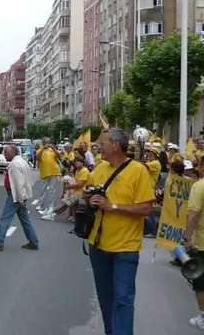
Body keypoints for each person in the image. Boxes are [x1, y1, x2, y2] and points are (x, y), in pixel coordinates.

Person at [87, 128, 155, 335]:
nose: (97, 146)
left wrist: (113, 206)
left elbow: (146, 208)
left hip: (125, 248)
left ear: (116, 145)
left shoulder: (138, 171)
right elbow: (88, 196)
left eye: (102, 143)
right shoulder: (99, 168)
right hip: (98, 245)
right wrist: (89, 199)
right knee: (105, 297)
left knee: (123, 298)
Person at [0, 145, 39, 251]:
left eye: (6, 153)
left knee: (5, 218)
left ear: (12, 153)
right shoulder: (22, 162)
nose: (4, 155)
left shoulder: (15, 164)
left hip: (15, 195)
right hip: (20, 195)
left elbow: (18, 183)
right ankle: (33, 242)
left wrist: (20, 198)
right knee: (25, 219)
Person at [185, 161, 204, 329]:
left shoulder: (199, 186)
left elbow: (193, 215)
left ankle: (203, 317)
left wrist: (187, 238)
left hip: (202, 243)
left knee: (200, 281)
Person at [36, 137, 62, 217]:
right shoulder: (39, 150)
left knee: (52, 190)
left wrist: (54, 148)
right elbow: (37, 158)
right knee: (42, 189)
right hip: (44, 172)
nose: (47, 144)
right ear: (43, 143)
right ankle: (40, 204)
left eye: (48, 142)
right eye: (46, 142)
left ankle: (51, 206)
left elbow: (59, 156)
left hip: (54, 172)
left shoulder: (52, 150)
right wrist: (43, 149)